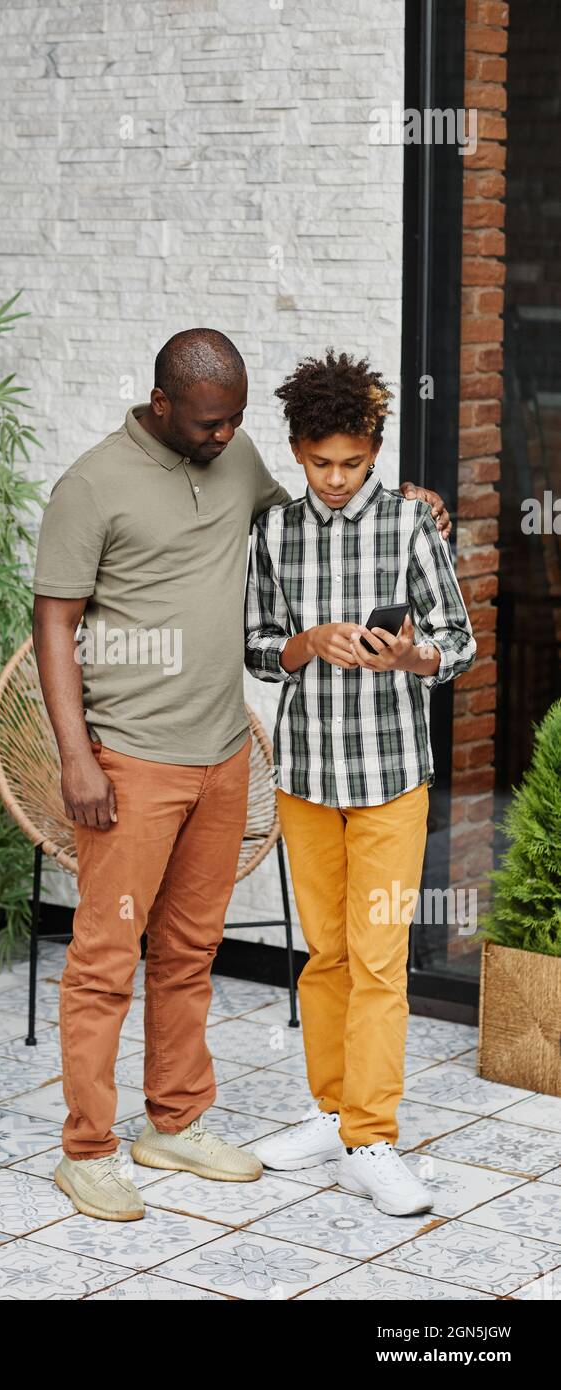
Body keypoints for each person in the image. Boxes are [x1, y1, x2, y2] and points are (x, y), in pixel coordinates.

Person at [32, 328, 452, 1223]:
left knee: (188, 954)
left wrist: (410, 500)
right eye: (212, 423)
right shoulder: (92, 485)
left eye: (235, 423)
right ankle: (90, 1148)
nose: (229, 437)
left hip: (225, 757)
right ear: (162, 407)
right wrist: (76, 757)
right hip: (129, 762)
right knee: (106, 958)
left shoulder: (239, 458)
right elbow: (54, 627)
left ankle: (175, 1121)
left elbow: (324, 507)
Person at [244, 348, 476, 1216]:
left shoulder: (414, 527)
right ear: (298, 450)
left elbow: (458, 643)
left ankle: (372, 1140)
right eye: (319, 462)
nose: (336, 479)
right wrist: (306, 645)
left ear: (375, 449)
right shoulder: (274, 532)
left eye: (352, 462)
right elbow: (258, 646)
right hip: (305, 778)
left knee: (379, 962)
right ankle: (330, 1110)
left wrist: (411, 656)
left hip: (389, 780)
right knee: (327, 957)